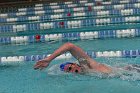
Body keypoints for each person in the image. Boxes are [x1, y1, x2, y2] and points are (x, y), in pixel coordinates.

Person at [34, 42, 140, 74]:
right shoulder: (86, 74)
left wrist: (49, 59)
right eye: (69, 71)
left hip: (132, 69)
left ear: (76, 64)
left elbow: (70, 46)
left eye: (71, 67)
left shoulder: (86, 64)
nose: (73, 70)